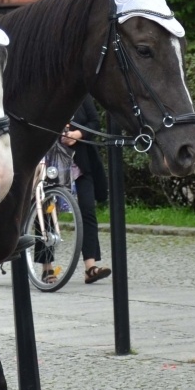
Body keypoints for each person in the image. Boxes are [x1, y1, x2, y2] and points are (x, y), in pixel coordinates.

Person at [62, 98, 111, 282]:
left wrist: (77, 134)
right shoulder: (48, 88)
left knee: (87, 211)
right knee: (46, 213)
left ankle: (90, 267)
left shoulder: (82, 96)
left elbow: (94, 122)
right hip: (54, 163)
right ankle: (47, 268)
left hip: (81, 164)